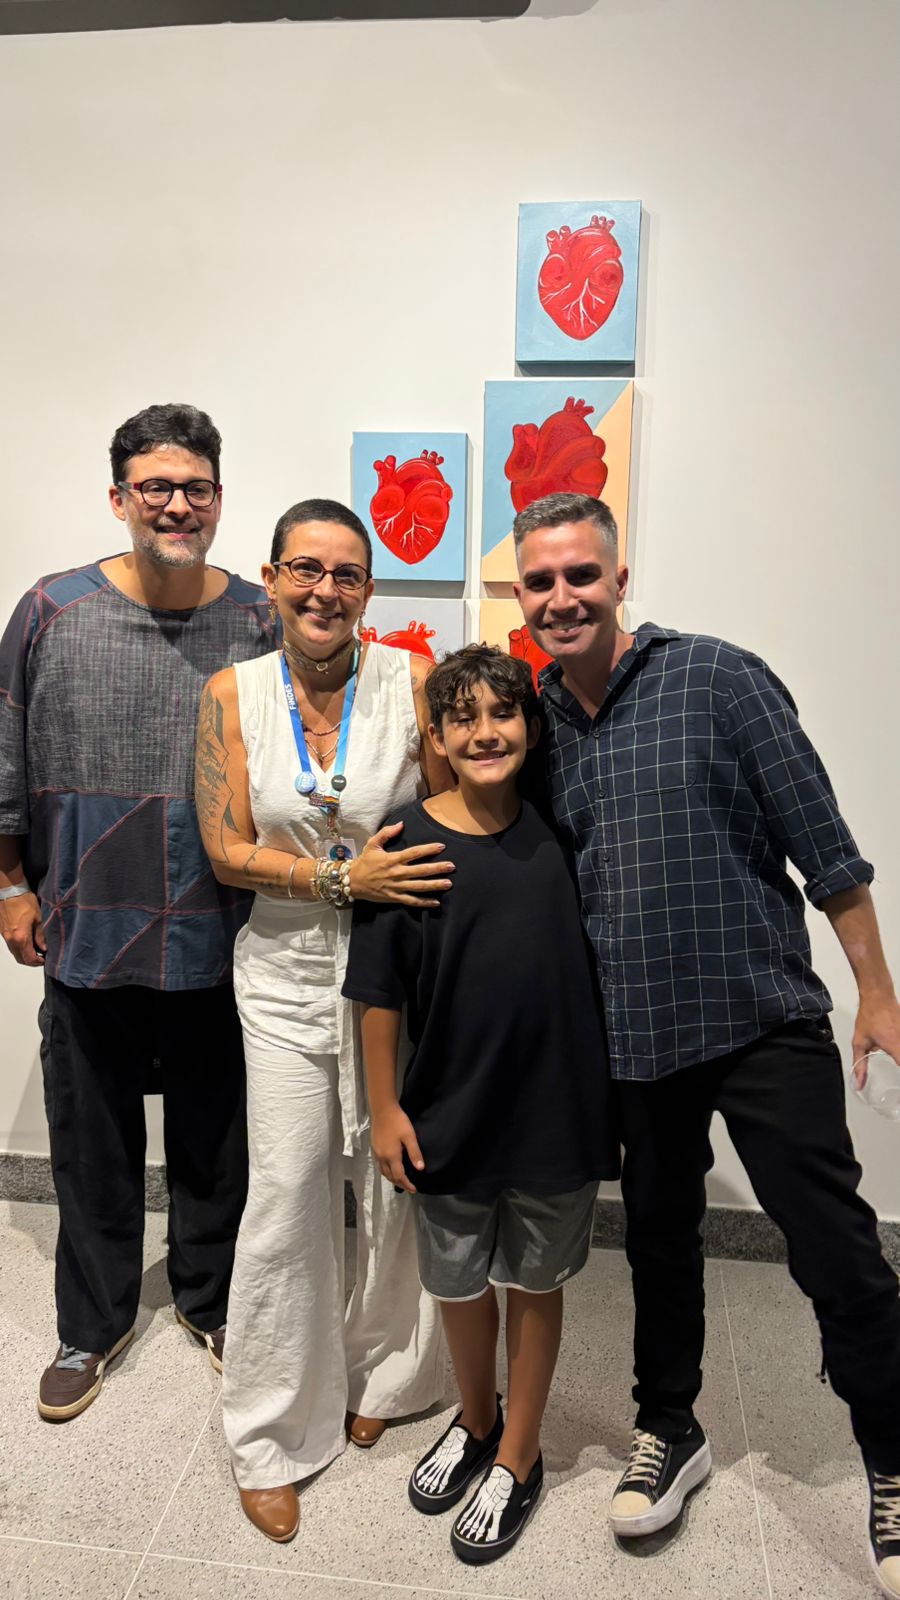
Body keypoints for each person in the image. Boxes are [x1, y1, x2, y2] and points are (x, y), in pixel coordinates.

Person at [512, 489, 900, 1597]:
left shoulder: (720, 679)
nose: (562, 597)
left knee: (834, 1246)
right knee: (661, 1242)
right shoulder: (541, 723)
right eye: (540, 581)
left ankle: (893, 1455)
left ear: (619, 579)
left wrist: (875, 991)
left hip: (758, 1016)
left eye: (581, 574)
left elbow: (826, 846)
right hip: (635, 1036)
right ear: (521, 595)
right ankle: (669, 1426)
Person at [0, 403, 275, 1422]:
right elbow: (4, 753)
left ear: (219, 498)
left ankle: (212, 1301)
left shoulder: (261, 619)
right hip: (84, 924)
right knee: (91, 1142)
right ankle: (91, 1323)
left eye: (195, 487)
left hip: (222, 927)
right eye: (154, 486)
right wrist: (10, 885)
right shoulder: (50, 610)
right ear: (118, 497)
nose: (175, 505)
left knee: (217, 1137)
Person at [195, 497, 450, 1544]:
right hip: (284, 976)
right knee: (289, 1192)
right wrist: (342, 878)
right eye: (305, 569)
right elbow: (225, 849)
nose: (324, 590)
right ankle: (270, 1431)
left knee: (398, 1185)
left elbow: (448, 820)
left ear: (369, 591)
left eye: (346, 574)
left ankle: (386, 1374)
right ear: (271, 579)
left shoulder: (412, 681)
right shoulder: (232, 693)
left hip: (397, 973)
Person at [342, 644, 620, 1565]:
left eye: (503, 714)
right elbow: (378, 993)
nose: (485, 732)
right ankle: (475, 1417)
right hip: (445, 1114)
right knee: (458, 1283)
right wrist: (386, 1108)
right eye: (462, 718)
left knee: (537, 1282)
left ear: (531, 727)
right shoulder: (405, 843)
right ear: (436, 736)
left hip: (555, 1113)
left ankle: (519, 1452)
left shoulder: (563, 831)